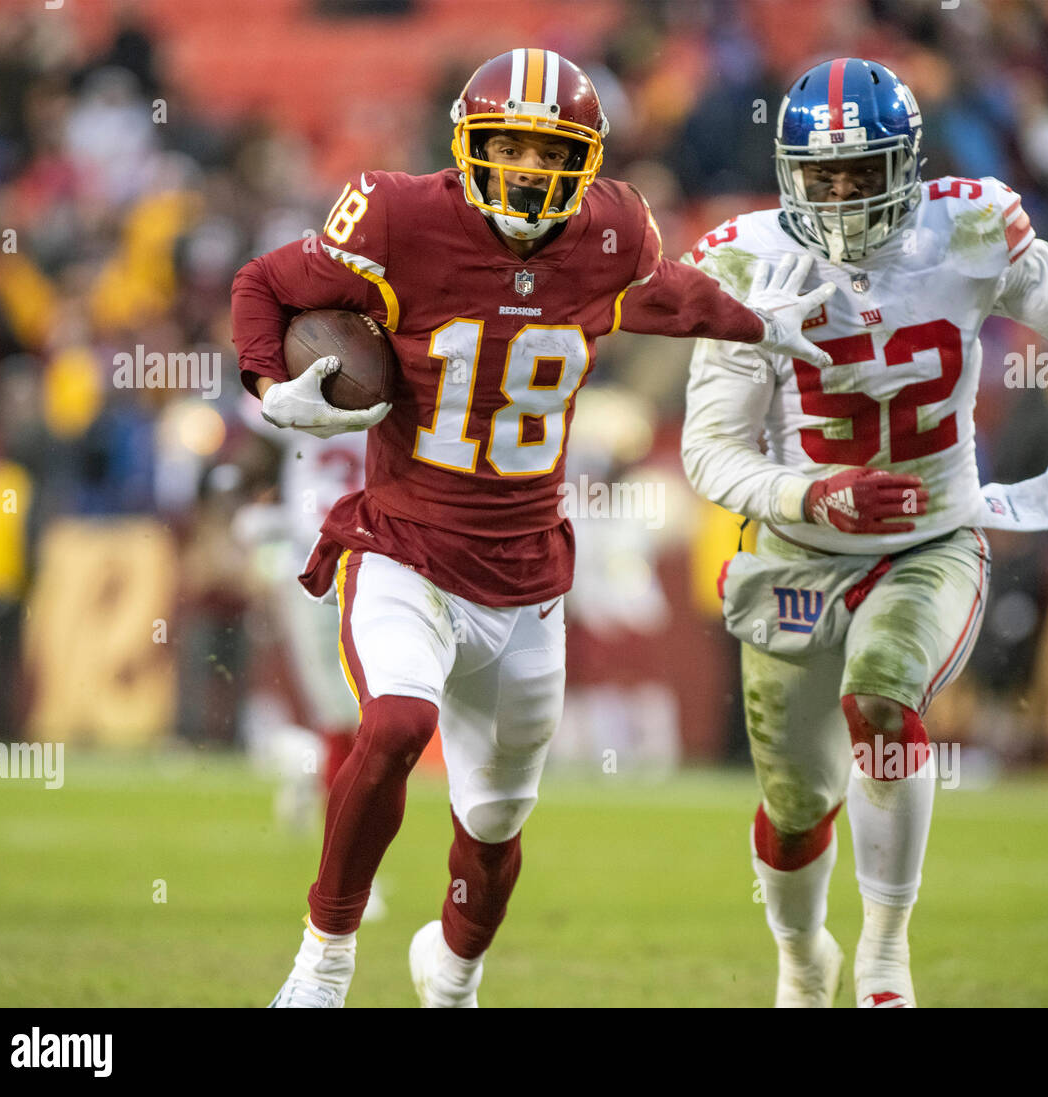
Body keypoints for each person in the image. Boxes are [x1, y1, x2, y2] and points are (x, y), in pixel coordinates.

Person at [231, 48, 831, 1007]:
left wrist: (754, 324)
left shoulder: (612, 230)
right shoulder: (398, 215)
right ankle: (323, 963)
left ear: (585, 162)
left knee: (497, 824)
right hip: (406, 542)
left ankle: (455, 977)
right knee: (393, 722)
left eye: (548, 152)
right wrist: (269, 386)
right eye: (504, 146)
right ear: (467, 146)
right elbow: (264, 281)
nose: (524, 170)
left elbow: (660, 295)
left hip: (525, 575)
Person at [680, 57, 1048, 1008]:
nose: (837, 197)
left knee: (883, 702)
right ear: (786, 171)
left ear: (905, 165)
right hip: (794, 552)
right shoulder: (749, 262)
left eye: (859, 172)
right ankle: (800, 959)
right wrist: (809, 497)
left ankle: (884, 959)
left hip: (930, 537)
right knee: (792, 810)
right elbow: (710, 453)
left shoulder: (970, 231)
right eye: (819, 175)